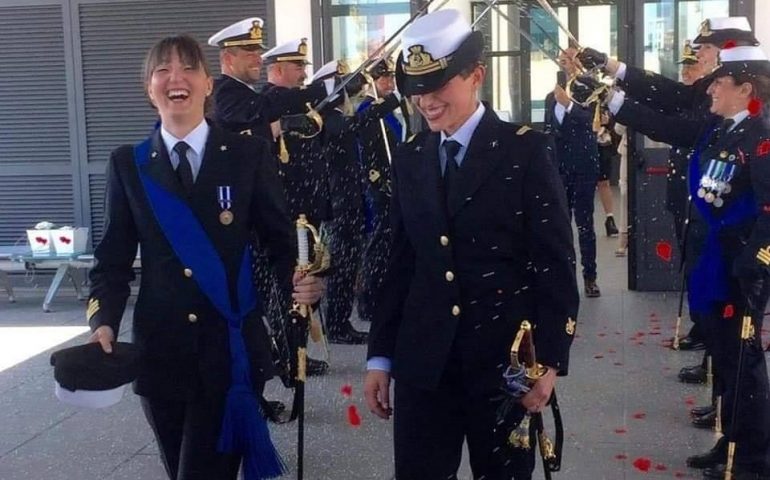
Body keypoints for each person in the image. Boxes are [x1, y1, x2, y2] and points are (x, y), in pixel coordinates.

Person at [86, 35, 325, 480]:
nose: (176, 78)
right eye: (163, 70)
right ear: (148, 87)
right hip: (161, 352)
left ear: (208, 83)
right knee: (179, 467)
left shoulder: (246, 153)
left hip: (229, 348)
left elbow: (278, 240)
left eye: (188, 68)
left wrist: (303, 277)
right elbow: (113, 259)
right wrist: (103, 321)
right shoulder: (129, 164)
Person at [363, 10, 579, 480]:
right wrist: (380, 356)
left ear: (476, 75)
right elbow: (399, 264)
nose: (425, 101)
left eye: (438, 85)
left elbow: (554, 264)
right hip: (424, 366)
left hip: (503, 365)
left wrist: (549, 361)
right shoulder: (411, 157)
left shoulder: (525, 151)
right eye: (417, 89)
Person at [356, 57, 412, 325]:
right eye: (384, 78)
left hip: (395, 180)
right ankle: (369, 297)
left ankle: (385, 292)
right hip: (378, 184)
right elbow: (366, 150)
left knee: (390, 241)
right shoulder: (370, 109)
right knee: (377, 243)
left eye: (391, 77)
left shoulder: (391, 110)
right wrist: (378, 180)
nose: (389, 83)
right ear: (373, 82)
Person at [545, 47, 602, 298]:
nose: (564, 64)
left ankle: (590, 276)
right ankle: (562, 276)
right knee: (559, 224)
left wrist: (568, 105)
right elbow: (549, 130)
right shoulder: (551, 97)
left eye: (568, 60)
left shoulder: (591, 90)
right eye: (561, 60)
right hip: (559, 167)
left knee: (585, 223)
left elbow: (593, 122)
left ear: (578, 63)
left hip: (583, 166)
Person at [596, 108, 619, 237]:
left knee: (604, 182)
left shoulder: (600, 94)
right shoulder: (569, 94)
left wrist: (608, 121)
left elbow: (613, 120)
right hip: (581, 143)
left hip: (602, 144)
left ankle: (610, 218)